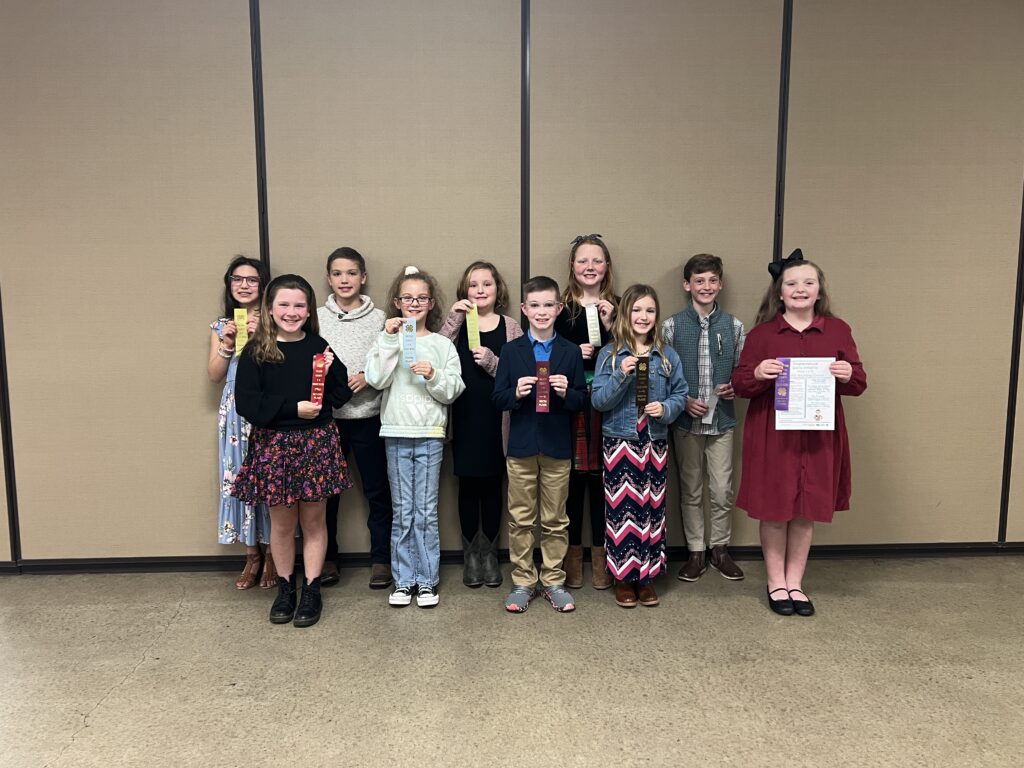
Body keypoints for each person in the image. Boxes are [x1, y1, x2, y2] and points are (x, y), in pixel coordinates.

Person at [732, 250, 867, 616]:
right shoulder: (761, 334)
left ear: (820, 290)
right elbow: (740, 384)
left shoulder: (838, 330)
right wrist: (758, 374)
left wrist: (846, 375)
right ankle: (776, 583)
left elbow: (859, 382)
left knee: (806, 510)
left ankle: (796, 583)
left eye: (808, 282)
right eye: (791, 283)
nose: (800, 289)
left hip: (819, 435)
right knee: (775, 510)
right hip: (774, 435)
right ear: (779, 292)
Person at [231, 274, 353, 627]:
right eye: (284, 304)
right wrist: (292, 408)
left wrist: (332, 372)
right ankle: (285, 588)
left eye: (299, 305)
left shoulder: (318, 345)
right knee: (282, 524)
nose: (291, 311)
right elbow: (248, 403)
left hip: (317, 442)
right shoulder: (256, 351)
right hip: (274, 445)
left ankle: (312, 588)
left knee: (314, 521)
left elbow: (339, 396)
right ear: (270, 308)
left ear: (308, 309)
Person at [366, 266, 465, 609]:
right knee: (402, 511)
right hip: (395, 432)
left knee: (425, 511)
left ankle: (426, 580)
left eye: (421, 297)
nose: (414, 303)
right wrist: (389, 338)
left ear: (431, 302)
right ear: (396, 302)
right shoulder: (387, 339)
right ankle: (403, 580)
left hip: (429, 435)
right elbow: (376, 379)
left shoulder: (441, 345)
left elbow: (453, 390)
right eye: (407, 297)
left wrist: (434, 374)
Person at [493, 276, 587, 613]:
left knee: (555, 519)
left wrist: (567, 393)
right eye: (535, 305)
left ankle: (553, 581)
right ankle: (522, 581)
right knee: (520, 518)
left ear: (559, 309)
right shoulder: (511, 350)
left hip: (558, 447)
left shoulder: (570, 351)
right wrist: (515, 394)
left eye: (549, 305)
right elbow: (498, 397)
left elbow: (581, 400)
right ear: (524, 309)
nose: (542, 311)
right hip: (520, 446)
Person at [593, 285, 687, 608]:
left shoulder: (667, 355)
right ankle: (622, 577)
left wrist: (667, 408)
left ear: (656, 315)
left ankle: (646, 577)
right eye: (636, 310)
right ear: (624, 314)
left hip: (654, 443)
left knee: (651, 508)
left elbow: (680, 394)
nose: (643, 317)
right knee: (622, 511)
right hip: (620, 443)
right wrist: (620, 374)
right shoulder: (610, 354)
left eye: (649, 310)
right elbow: (599, 401)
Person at [661, 254, 746, 583]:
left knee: (722, 489)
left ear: (720, 284)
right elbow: (663, 375)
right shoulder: (671, 326)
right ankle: (696, 551)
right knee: (691, 488)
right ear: (687, 285)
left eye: (712, 280)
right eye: (699, 281)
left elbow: (743, 370)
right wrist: (684, 402)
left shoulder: (734, 326)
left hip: (721, 421)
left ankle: (720, 549)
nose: (706, 286)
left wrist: (734, 387)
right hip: (686, 423)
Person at [439, 261, 523, 588]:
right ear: (465, 290)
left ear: (497, 289)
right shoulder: (459, 323)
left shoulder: (511, 325)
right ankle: (470, 555)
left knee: (492, 483)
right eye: (473, 285)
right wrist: (453, 318)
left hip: (497, 416)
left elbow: (518, 372)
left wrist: (491, 361)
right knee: (467, 483)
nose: (480, 290)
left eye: (486, 284)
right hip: (464, 414)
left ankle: (489, 553)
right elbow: (438, 353)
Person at [317, 247, 394, 590]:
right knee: (326, 495)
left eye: (351, 273)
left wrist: (369, 376)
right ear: (329, 278)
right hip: (328, 419)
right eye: (337, 273)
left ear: (363, 277)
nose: (344, 280)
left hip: (370, 416)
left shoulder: (379, 318)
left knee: (378, 493)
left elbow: (392, 362)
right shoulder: (316, 317)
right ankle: (327, 559)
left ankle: (381, 561)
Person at [554, 234, 618, 589]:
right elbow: (547, 352)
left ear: (607, 267)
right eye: (583, 261)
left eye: (597, 261)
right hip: (572, 403)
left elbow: (634, 350)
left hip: (610, 403)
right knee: (574, 480)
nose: (590, 267)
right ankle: (573, 557)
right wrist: (570, 353)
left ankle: (603, 556)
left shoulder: (621, 305)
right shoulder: (561, 308)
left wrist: (611, 327)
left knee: (605, 480)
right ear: (572, 267)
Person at [207, 256, 273, 590]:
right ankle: (252, 555)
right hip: (234, 415)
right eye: (237, 279)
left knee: (273, 480)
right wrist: (228, 345)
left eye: (252, 279)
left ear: (263, 284)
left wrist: (264, 334)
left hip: (268, 409)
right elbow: (214, 375)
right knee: (240, 479)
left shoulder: (277, 319)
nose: (244, 285)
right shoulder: (221, 325)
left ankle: (274, 552)